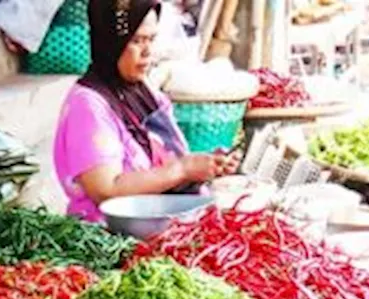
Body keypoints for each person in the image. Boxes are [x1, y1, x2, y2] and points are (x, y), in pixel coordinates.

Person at [53, 0, 239, 222]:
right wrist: (181, 170)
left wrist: (205, 165)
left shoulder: (142, 92)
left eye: (151, 39)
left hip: (157, 224)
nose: (148, 51)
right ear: (110, 42)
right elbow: (105, 190)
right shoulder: (88, 105)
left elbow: (162, 162)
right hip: (112, 234)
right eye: (136, 41)